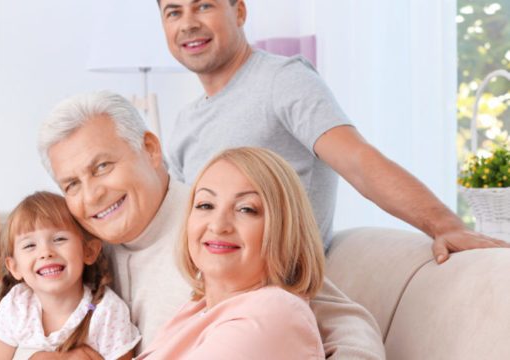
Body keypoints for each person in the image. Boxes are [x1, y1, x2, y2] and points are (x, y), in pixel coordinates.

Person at [33, 90, 384, 359]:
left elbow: (341, 322)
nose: (92, 195)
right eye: (72, 185)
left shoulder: (214, 232)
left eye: (102, 167)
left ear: (151, 149)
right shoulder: (77, 248)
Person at [157, 0, 506, 259]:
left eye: (203, 6)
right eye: (173, 12)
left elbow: (358, 160)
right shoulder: (186, 120)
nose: (188, 23)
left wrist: (446, 225)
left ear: (240, 12)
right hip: (206, 296)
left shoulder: (284, 80)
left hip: (272, 292)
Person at [139, 147, 325, 359]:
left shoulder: (274, 313)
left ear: (285, 228)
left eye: (246, 209)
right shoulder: (196, 309)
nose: (218, 226)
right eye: (205, 205)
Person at [0, 191, 139, 360]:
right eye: (30, 245)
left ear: (89, 251)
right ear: (14, 267)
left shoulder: (106, 312)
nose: (46, 252)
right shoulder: (18, 304)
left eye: (59, 239)